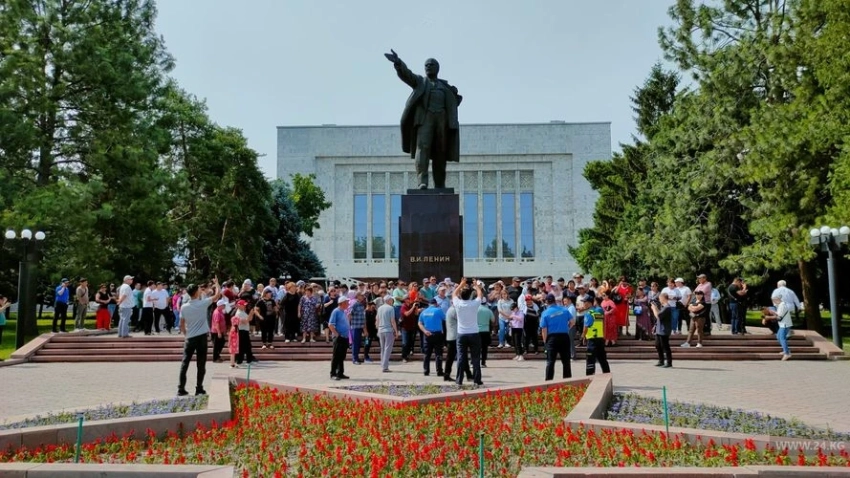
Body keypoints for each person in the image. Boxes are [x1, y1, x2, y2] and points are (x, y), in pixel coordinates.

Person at [384, 50, 462, 189]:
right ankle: (422, 182)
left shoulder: (445, 87)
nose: (428, 66)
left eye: (431, 64)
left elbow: (454, 102)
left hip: (442, 121)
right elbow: (407, 75)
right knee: (422, 149)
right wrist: (398, 63)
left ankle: (439, 184)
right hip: (425, 120)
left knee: (440, 152)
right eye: (426, 65)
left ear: (437, 68)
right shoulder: (420, 82)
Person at [178, 279, 221, 396]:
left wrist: (186, 334)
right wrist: (217, 283)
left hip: (190, 338)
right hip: (201, 337)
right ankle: (199, 388)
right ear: (197, 293)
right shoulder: (203, 303)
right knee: (201, 364)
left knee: (185, 362)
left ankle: (181, 388)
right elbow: (217, 295)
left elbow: (181, 323)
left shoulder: (184, 307)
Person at [452, 278, 484, 386]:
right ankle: (477, 380)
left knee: (461, 357)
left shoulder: (458, 304)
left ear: (461, 295)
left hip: (461, 333)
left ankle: (459, 380)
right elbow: (480, 295)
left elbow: (454, 294)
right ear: (470, 295)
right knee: (475, 358)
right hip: (474, 333)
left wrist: (461, 284)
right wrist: (476, 286)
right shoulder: (474, 304)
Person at [540, 294, 573, 380]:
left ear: (547, 302)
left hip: (552, 338)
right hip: (564, 337)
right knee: (566, 361)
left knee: (550, 361)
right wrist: (566, 328)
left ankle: (548, 382)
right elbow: (572, 321)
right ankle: (567, 381)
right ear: (554, 300)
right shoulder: (564, 310)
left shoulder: (545, 313)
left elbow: (544, 329)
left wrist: (545, 342)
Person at [582, 296, 610, 376]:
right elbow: (603, 325)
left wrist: (583, 337)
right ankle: (607, 376)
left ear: (590, 303)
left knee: (590, 360)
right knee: (603, 360)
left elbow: (586, 328)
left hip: (592, 341)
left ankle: (590, 378)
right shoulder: (598, 313)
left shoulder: (589, 314)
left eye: (585, 302)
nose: (583, 304)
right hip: (600, 339)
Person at [418, 298, 446, 376]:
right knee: (438, 354)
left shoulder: (424, 312)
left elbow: (420, 323)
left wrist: (424, 331)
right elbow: (445, 318)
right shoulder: (438, 310)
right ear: (436, 304)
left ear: (429, 304)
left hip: (427, 334)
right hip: (437, 334)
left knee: (427, 354)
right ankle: (439, 371)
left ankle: (426, 371)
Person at [764, 292, 793, 361]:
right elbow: (779, 313)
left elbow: (779, 317)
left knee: (782, 338)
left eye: (773, 300)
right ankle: (786, 350)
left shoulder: (782, 305)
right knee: (778, 336)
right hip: (783, 324)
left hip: (785, 324)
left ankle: (787, 353)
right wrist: (773, 312)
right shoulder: (780, 305)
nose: (773, 302)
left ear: (777, 299)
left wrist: (769, 317)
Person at [328, 296, 351, 380]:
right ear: (342, 303)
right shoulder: (336, 311)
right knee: (336, 356)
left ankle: (340, 373)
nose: (348, 304)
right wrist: (337, 334)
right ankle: (333, 373)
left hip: (345, 337)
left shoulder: (344, 311)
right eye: (346, 302)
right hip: (339, 337)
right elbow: (330, 325)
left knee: (342, 356)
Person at [377, 296, 399, 373]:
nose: (392, 301)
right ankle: (385, 366)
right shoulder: (391, 308)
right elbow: (392, 320)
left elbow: (377, 319)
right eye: (391, 300)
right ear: (389, 300)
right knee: (387, 349)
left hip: (381, 330)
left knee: (383, 348)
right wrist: (396, 331)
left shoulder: (380, 308)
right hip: (388, 330)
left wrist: (378, 329)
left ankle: (382, 364)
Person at [652, 292, 674, 368]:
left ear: (663, 298)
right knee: (658, 345)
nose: (659, 300)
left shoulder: (667, 307)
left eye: (660, 298)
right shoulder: (663, 306)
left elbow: (658, 316)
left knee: (665, 346)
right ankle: (661, 361)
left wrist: (654, 308)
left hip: (664, 330)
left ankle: (669, 362)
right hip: (659, 329)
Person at [233, 300, 257, 365]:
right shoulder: (238, 313)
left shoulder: (243, 311)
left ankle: (249, 360)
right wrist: (251, 314)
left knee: (248, 346)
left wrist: (251, 314)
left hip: (245, 330)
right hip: (241, 331)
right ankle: (239, 360)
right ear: (239, 305)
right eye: (243, 305)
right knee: (242, 347)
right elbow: (245, 321)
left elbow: (250, 319)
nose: (244, 306)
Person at [210, 298, 228, 363]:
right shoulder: (217, 312)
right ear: (220, 305)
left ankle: (217, 356)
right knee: (216, 345)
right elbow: (216, 323)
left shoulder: (220, 311)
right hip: (216, 332)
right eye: (224, 305)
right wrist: (219, 332)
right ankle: (215, 358)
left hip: (220, 331)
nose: (224, 306)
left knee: (222, 342)